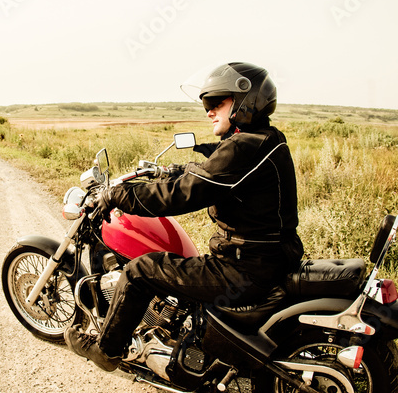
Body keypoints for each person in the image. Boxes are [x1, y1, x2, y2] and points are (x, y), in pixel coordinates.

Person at [64, 62, 303, 371]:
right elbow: (210, 172)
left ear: (246, 101)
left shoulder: (243, 147)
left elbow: (182, 195)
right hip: (272, 257)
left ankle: (107, 351)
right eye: (207, 104)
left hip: (244, 268)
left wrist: (117, 195)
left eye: (218, 102)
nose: (209, 111)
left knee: (140, 270)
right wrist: (169, 170)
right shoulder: (265, 138)